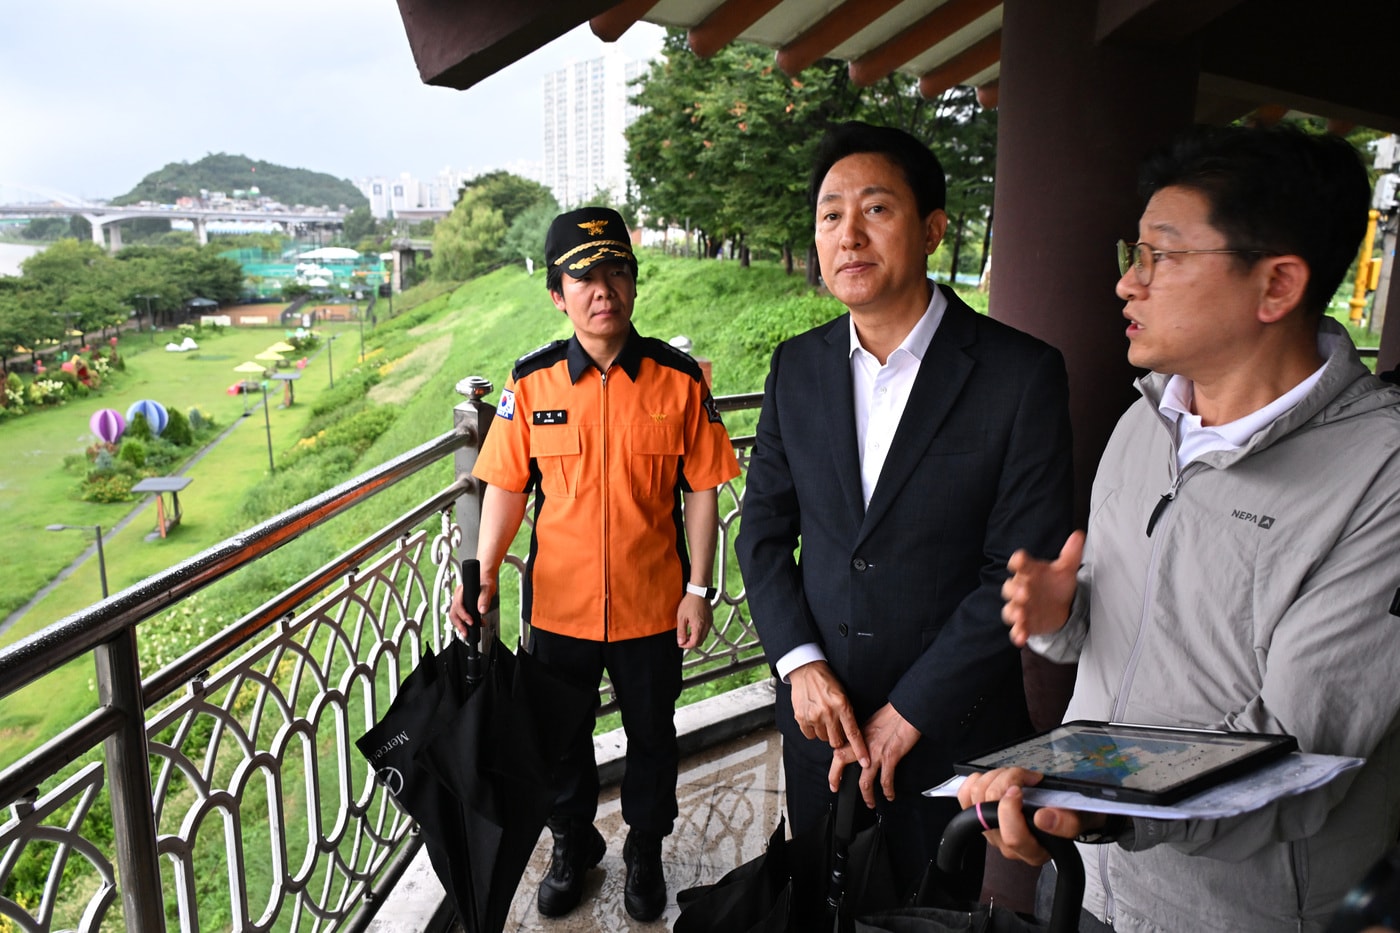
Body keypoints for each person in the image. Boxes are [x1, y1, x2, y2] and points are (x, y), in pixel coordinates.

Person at [960, 124, 1400, 932]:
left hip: (1240, 912)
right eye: (1134, 253)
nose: (1127, 283)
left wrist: (1097, 805)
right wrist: (1063, 616)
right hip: (1090, 886)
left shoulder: (1382, 477)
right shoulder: (1147, 421)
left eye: (1160, 256)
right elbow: (1128, 640)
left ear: (1276, 286)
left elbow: (1297, 750)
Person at [735, 121, 1075, 890]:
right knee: (819, 898)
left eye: (876, 209)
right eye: (830, 215)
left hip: (947, 731)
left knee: (933, 906)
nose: (848, 234)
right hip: (821, 727)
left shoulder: (1019, 375)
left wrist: (910, 710)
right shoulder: (797, 367)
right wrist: (800, 663)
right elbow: (762, 535)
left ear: (932, 229)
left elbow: (1013, 569)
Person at [448, 207, 741, 922]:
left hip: (652, 606)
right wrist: (481, 574)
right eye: (584, 277)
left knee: (653, 739)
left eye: (616, 272)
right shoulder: (532, 383)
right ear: (558, 294)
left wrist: (699, 588)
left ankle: (645, 847)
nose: (602, 289)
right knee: (559, 743)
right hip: (558, 607)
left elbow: (704, 488)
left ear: (634, 283)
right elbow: (506, 487)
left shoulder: (678, 380)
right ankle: (571, 842)